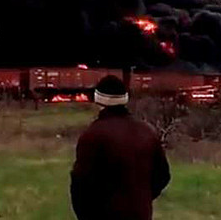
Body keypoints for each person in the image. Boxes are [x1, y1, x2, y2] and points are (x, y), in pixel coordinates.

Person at [71, 75, 171, 220]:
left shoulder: (92, 135)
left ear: (99, 100)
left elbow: (81, 184)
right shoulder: (147, 131)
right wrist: (141, 198)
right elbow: (163, 176)